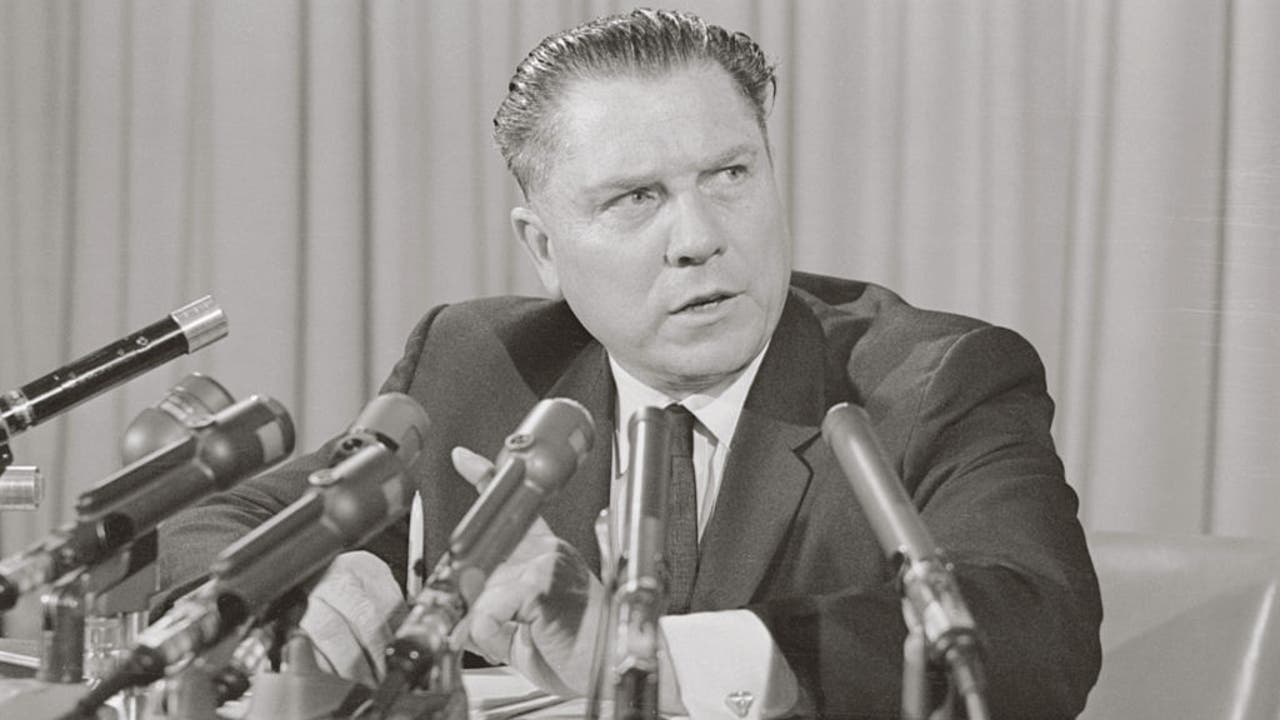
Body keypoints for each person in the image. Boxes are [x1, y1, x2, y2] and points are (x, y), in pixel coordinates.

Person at [159, 8, 1102, 718]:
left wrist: (656, 658)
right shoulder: (480, 363)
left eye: (730, 175)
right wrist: (310, 581)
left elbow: (1036, 629)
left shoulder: (933, 378)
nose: (699, 238)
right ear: (543, 248)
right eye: (636, 198)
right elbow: (216, 525)